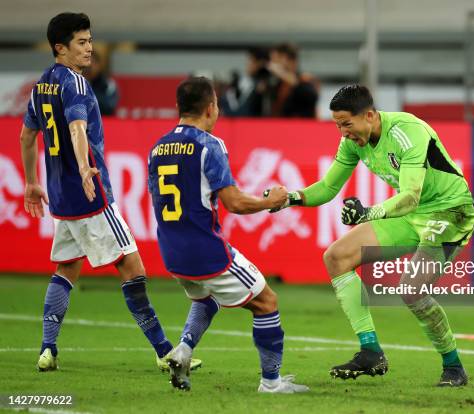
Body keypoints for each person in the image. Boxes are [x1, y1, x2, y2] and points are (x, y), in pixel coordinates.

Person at [20, 12, 200, 373]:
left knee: (66, 269)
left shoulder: (41, 85)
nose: (90, 48)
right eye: (82, 42)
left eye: (90, 41)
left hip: (61, 197)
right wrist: (86, 166)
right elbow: (76, 127)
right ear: (61, 48)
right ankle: (165, 351)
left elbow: (27, 136)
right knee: (132, 268)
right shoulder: (76, 83)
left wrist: (30, 181)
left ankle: (47, 349)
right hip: (91, 196)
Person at [267, 84, 474, 387]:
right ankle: (370, 350)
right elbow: (327, 187)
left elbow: (410, 196)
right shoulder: (353, 141)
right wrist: (289, 198)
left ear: (370, 115)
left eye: (347, 124)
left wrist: (368, 213)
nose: (343, 132)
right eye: (338, 125)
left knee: (411, 289)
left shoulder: (407, 131)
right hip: (412, 216)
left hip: (449, 212)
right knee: (337, 257)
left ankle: (453, 366)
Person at [147, 76, 309, 394]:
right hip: (206, 250)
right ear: (211, 108)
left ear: (179, 107)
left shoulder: (157, 148)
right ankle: (271, 382)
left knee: (206, 300)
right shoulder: (210, 145)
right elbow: (234, 203)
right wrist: (271, 202)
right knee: (266, 301)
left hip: (171, 250)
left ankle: (182, 350)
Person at [268, 43, 319, 118]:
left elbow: (311, 98)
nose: (272, 64)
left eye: (276, 60)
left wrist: (286, 76)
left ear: (288, 60)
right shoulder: (276, 83)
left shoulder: (305, 80)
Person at [84, 51, 119, 116]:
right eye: (86, 63)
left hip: (104, 122)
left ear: (99, 65)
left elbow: (109, 107)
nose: (89, 67)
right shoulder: (75, 82)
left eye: (92, 63)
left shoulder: (108, 84)